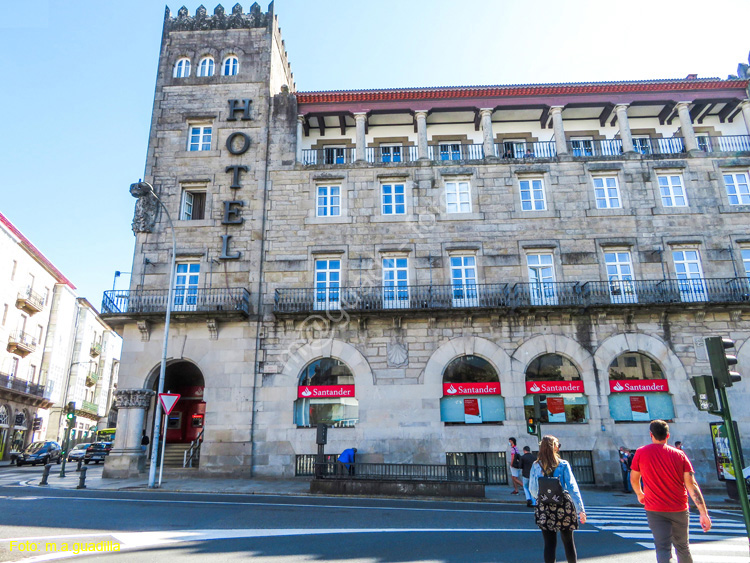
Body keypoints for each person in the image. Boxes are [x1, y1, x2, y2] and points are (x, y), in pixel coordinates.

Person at [630, 420, 711, 563]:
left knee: (662, 548)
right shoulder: (680, 455)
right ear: (668, 436)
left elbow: (634, 478)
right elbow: (692, 486)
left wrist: (640, 494)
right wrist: (703, 513)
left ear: (651, 435)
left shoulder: (641, 452)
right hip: (679, 508)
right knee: (683, 547)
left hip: (655, 509)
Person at [530, 435, 586, 563]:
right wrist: (580, 509)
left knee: (549, 544)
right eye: (557, 445)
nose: (558, 448)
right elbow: (572, 487)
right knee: (568, 542)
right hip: (563, 504)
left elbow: (532, 489)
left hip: (544, 505)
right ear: (553, 447)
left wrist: (541, 499)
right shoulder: (563, 464)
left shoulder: (536, 465)